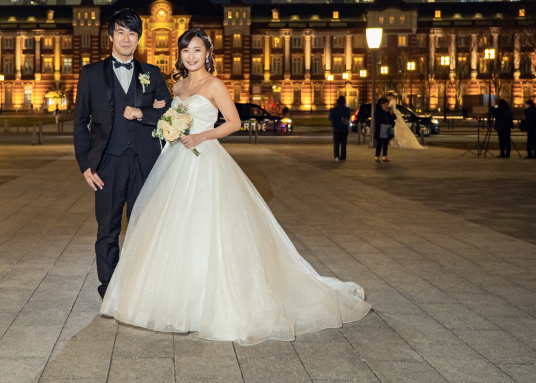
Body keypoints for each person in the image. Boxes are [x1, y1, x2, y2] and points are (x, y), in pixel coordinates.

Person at [99, 29, 371, 345]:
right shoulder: (178, 85)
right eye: (186, 50)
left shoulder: (214, 85)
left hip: (205, 159)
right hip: (176, 161)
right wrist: (166, 125)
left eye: (197, 50)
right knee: (173, 226)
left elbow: (233, 122)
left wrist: (201, 136)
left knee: (209, 224)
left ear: (207, 53)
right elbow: (169, 118)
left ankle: (210, 303)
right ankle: (172, 299)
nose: (191, 56)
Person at [73, 8, 172, 299]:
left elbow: (169, 111)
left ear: (138, 38)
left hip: (146, 163)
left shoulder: (152, 73)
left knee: (144, 226)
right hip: (107, 164)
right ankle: (109, 287)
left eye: (132, 32)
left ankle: (141, 285)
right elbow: (80, 122)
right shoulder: (91, 74)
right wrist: (84, 164)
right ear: (110, 36)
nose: (126, 38)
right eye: (120, 32)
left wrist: (143, 112)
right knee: (108, 228)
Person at [328, 95, 351, 161]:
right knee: (344, 144)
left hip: (336, 128)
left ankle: (336, 156)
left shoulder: (333, 110)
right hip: (344, 129)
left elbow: (330, 118)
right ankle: (343, 157)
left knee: (336, 143)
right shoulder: (347, 110)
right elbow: (347, 118)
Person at [373, 97, 396, 162]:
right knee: (379, 143)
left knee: (386, 143)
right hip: (380, 128)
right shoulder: (379, 110)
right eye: (385, 104)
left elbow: (394, 117)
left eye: (387, 104)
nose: (386, 105)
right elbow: (377, 117)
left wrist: (391, 113)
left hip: (387, 128)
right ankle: (377, 156)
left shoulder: (389, 110)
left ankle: (384, 156)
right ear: (382, 104)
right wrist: (384, 112)